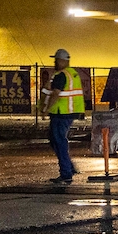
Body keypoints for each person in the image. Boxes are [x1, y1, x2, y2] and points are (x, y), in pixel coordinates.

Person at [41, 49, 85, 184]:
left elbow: (55, 94)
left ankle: (66, 174)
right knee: (55, 139)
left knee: (59, 141)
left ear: (62, 61)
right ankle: (69, 168)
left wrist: (46, 109)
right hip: (67, 112)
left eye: (56, 60)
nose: (54, 62)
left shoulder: (61, 75)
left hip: (61, 113)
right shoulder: (72, 73)